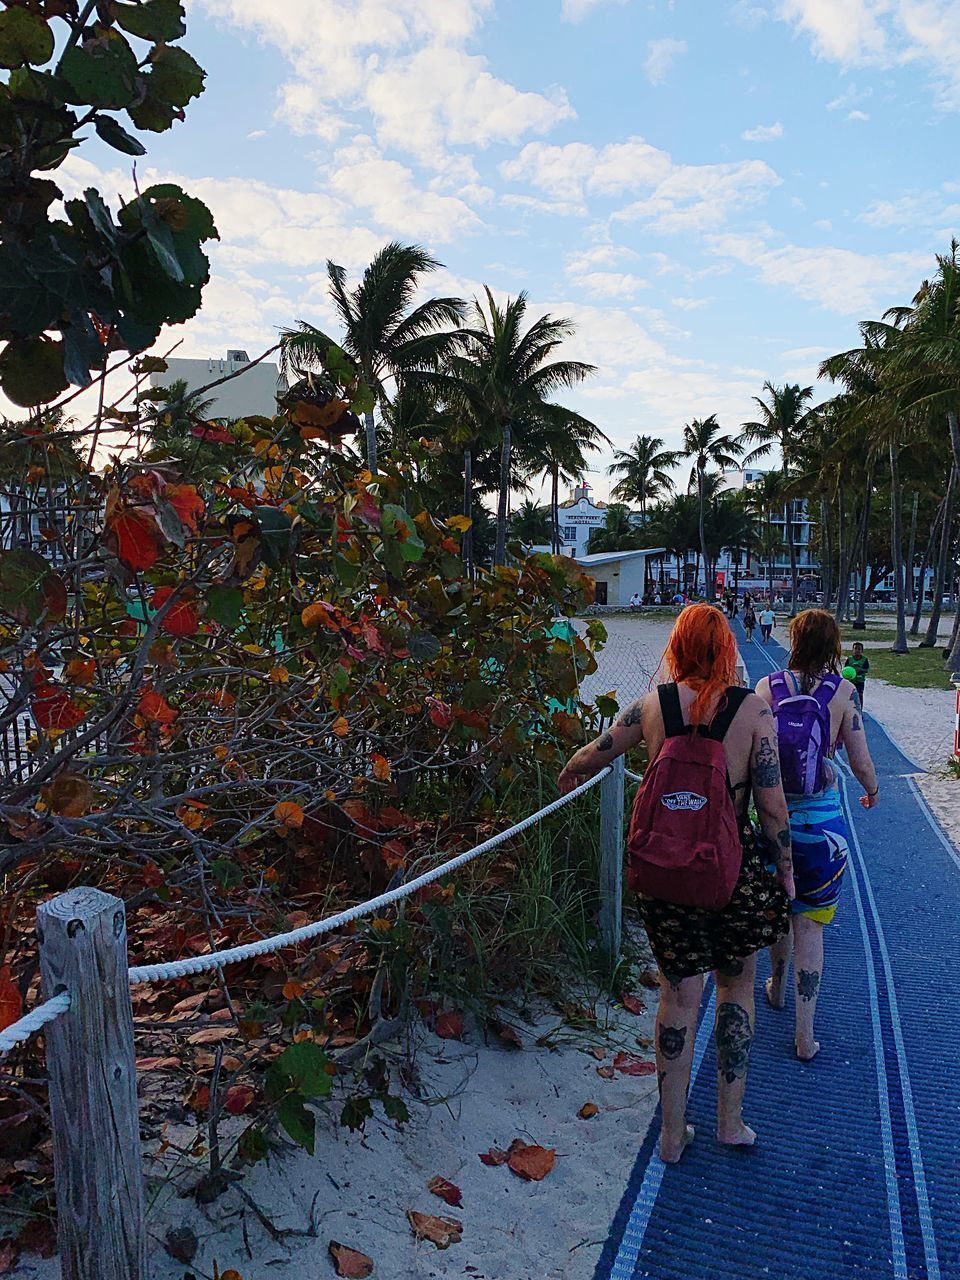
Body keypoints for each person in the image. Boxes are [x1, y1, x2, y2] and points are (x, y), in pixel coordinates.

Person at [558, 605, 793, 1162]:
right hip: (729, 872)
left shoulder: (652, 706)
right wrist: (784, 869)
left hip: (663, 872)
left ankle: (669, 1135)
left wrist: (569, 770)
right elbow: (772, 805)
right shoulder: (754, 710)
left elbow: (598, 752)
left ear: (678, 647)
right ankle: (729, 1123)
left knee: (677, 996)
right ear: (728, 648)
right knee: (735, 988)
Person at [756, 610, 879, 1061]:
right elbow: (862, 760)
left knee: (778, 910)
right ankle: (804, 1035)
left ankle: (775, 986)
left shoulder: (766, 688)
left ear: (793, 637)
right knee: (811, 927)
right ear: (834, 645)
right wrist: (872, 790)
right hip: (823, 827)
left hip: (774, 822)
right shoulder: (844, 693)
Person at [846, 641, 870, 706]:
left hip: (860, 681)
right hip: (851, 681)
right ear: (852, 650)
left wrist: (860, 670)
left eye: (859, 649)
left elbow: (866, 670)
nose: (857, 650)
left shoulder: (864, 660)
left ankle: (860, 708)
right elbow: (845, 669)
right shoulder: (849, 659)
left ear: (862, 651)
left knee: (860, 694)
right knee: (850, 694)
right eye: (855, 648)